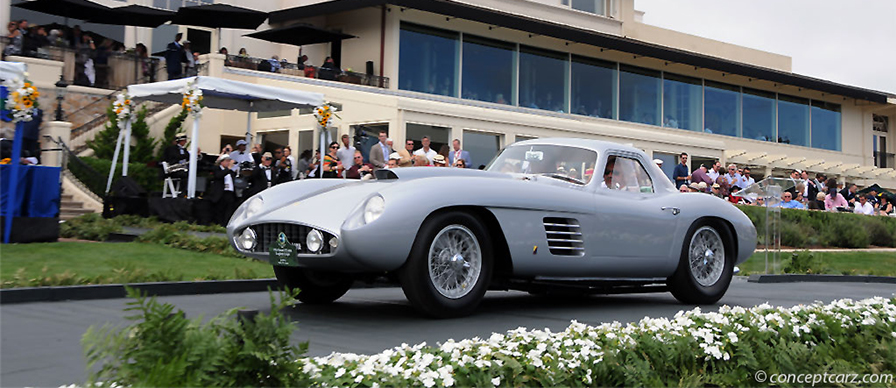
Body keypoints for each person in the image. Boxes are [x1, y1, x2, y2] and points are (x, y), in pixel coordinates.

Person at [207, 156, 237, 225]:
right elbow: (218, 176)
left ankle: (226, 224)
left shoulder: (230, 171)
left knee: (229, 209)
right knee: (220, 209)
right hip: (221, 192)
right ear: (222, 162)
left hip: (230, 192)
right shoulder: (217, 169)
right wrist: (228, 168)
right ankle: (218, 224)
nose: (228, 163)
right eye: (227, 161)